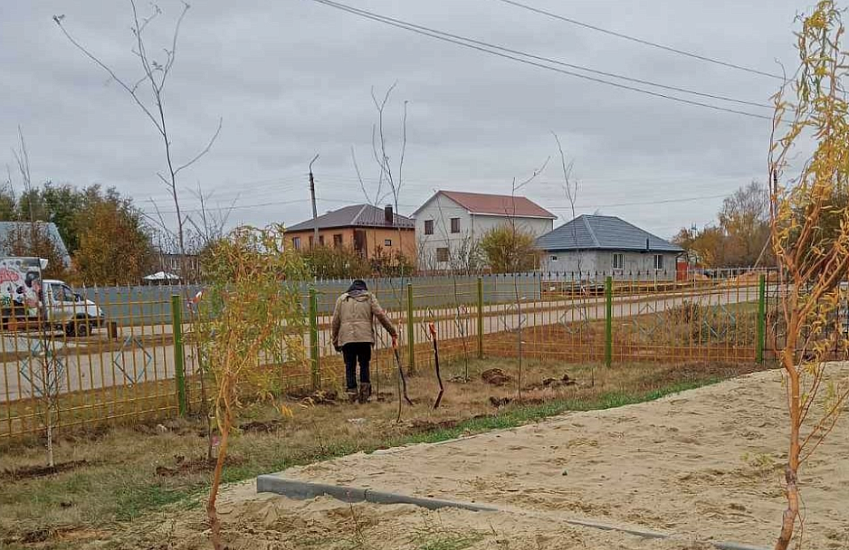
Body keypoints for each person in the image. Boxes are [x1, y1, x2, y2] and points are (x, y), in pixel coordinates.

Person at [331, 279, 397, 403]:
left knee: (350, 366)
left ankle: (352, 396)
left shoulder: (341, 300)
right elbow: (381, 315)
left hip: (347, 340)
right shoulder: (369, 297)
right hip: (364, 338)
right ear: (364, 289)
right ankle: (364, 396)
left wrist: (335, 340)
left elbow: (335, 322)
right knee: (364, 365)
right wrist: (392, 331)